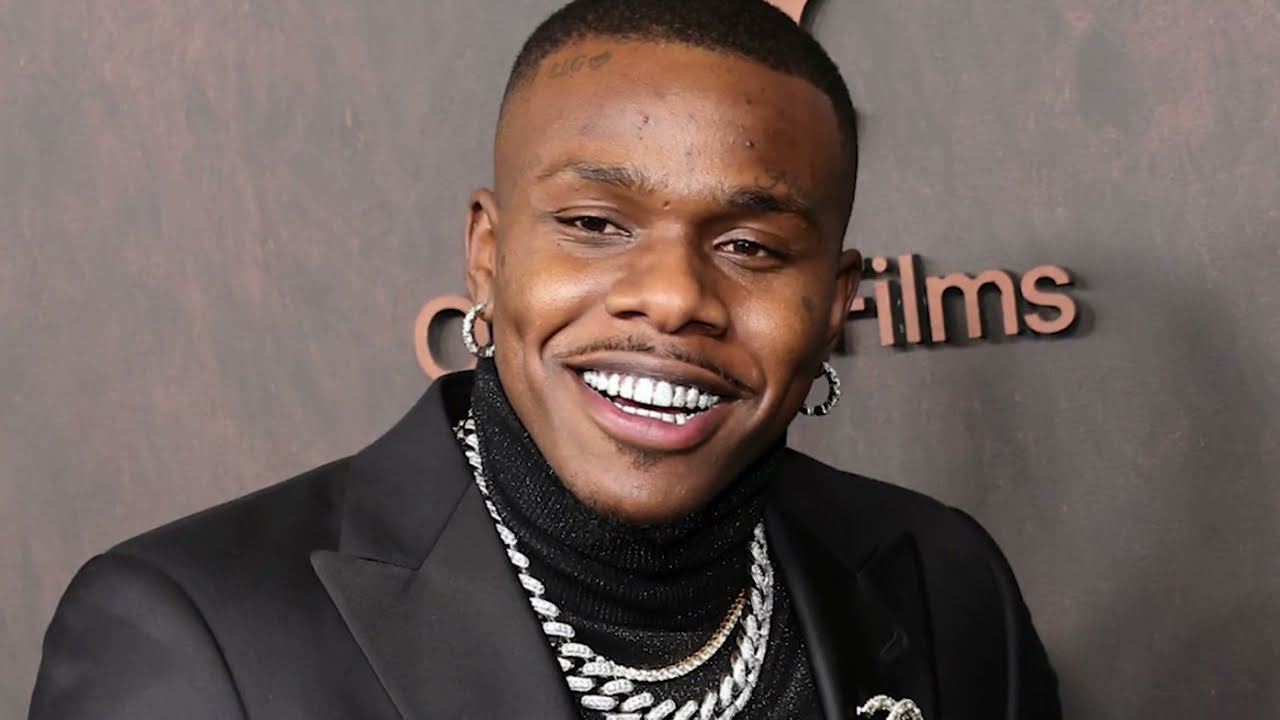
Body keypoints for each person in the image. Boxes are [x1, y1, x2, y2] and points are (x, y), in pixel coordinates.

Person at [30, 1, 1061, 718]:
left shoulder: (945, 580)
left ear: (833, 305)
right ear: (488, 256)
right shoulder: (192, 630)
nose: (672, 297)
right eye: (594, 224)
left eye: (751, 246)